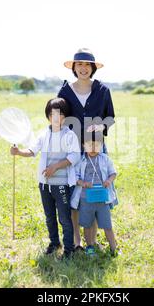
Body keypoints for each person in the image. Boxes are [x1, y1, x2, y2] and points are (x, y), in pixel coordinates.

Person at [58, 48, 116, 251]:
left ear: (92, 68)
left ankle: (92, 238)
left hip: (96, 149)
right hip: (73, 150)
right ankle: (77, 240)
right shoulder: (65, 91)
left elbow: (110, 117)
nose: (83, 68)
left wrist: (101, 126)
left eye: (87, 65)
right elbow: (59, 118)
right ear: (74, 67)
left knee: (97, 192)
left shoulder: (103, 90)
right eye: (79, 64)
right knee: (75, 193)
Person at [10, 98, 80, 260]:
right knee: (49, 216)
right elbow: (33, 151)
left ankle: (69, 249)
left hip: (61, 184)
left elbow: (75, 156)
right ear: (48, 116)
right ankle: (54, 242)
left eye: (60, 114)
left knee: (64, 217)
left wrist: (55, 167)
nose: (56, 117)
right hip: (44, 184)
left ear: (65, 116)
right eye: (52, 114)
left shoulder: (69, 135)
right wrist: (19, 152)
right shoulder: (44, 134)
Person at [70, 132, 118, 256]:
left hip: (102, 198)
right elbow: (75, 177)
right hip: (86, 198)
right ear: (83, 145)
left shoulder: (105, 159)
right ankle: (89, 247)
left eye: (95, 145)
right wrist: (83, 183)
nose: (92, 148)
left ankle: (114, 248)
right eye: (89, 145)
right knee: (87, 225)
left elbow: (113, 173)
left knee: (107, 225)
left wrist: (108, 181)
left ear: (101, 145)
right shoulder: (81, 161)